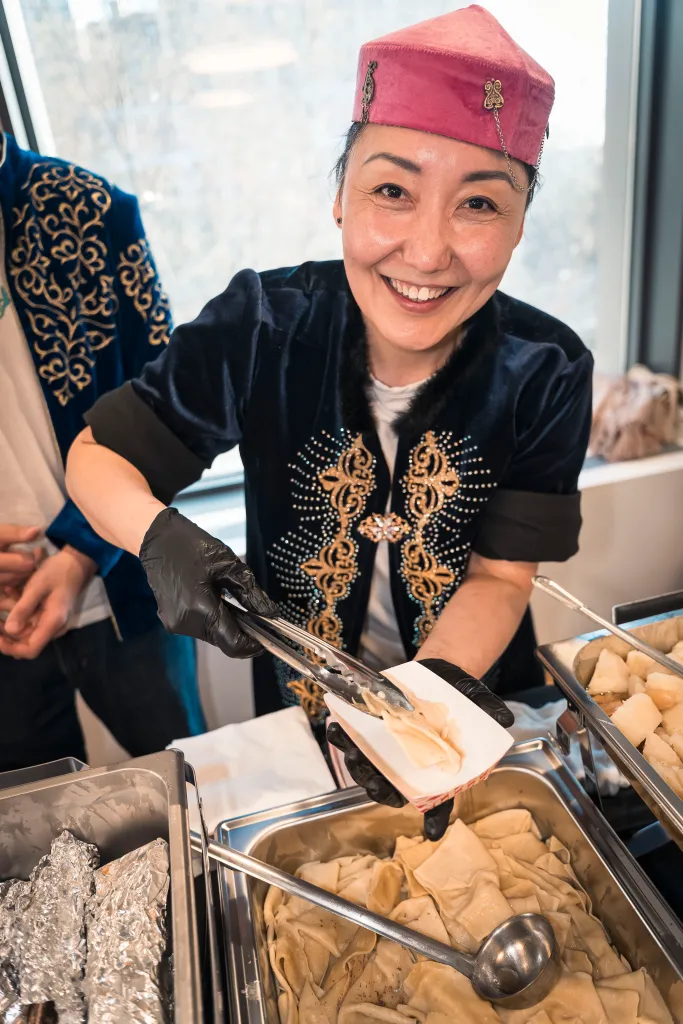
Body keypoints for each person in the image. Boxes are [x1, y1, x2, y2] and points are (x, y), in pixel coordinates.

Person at [66, 6, 592, 837]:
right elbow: (96, 457)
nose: (426, 252)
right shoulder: (263, 325)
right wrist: (161, 538)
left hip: (471, 688)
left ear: (520, 223)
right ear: (338, 196)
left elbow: (500, 577)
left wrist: (427, 714)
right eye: (392, 191)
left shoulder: (547, 368)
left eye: (479, 205)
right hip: (299, 707)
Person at [0, 132, 205, 771]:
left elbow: (169, 407)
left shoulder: (90, 211)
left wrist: (81, 552)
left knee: (188, 782)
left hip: (122, 574)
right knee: (25, 840)